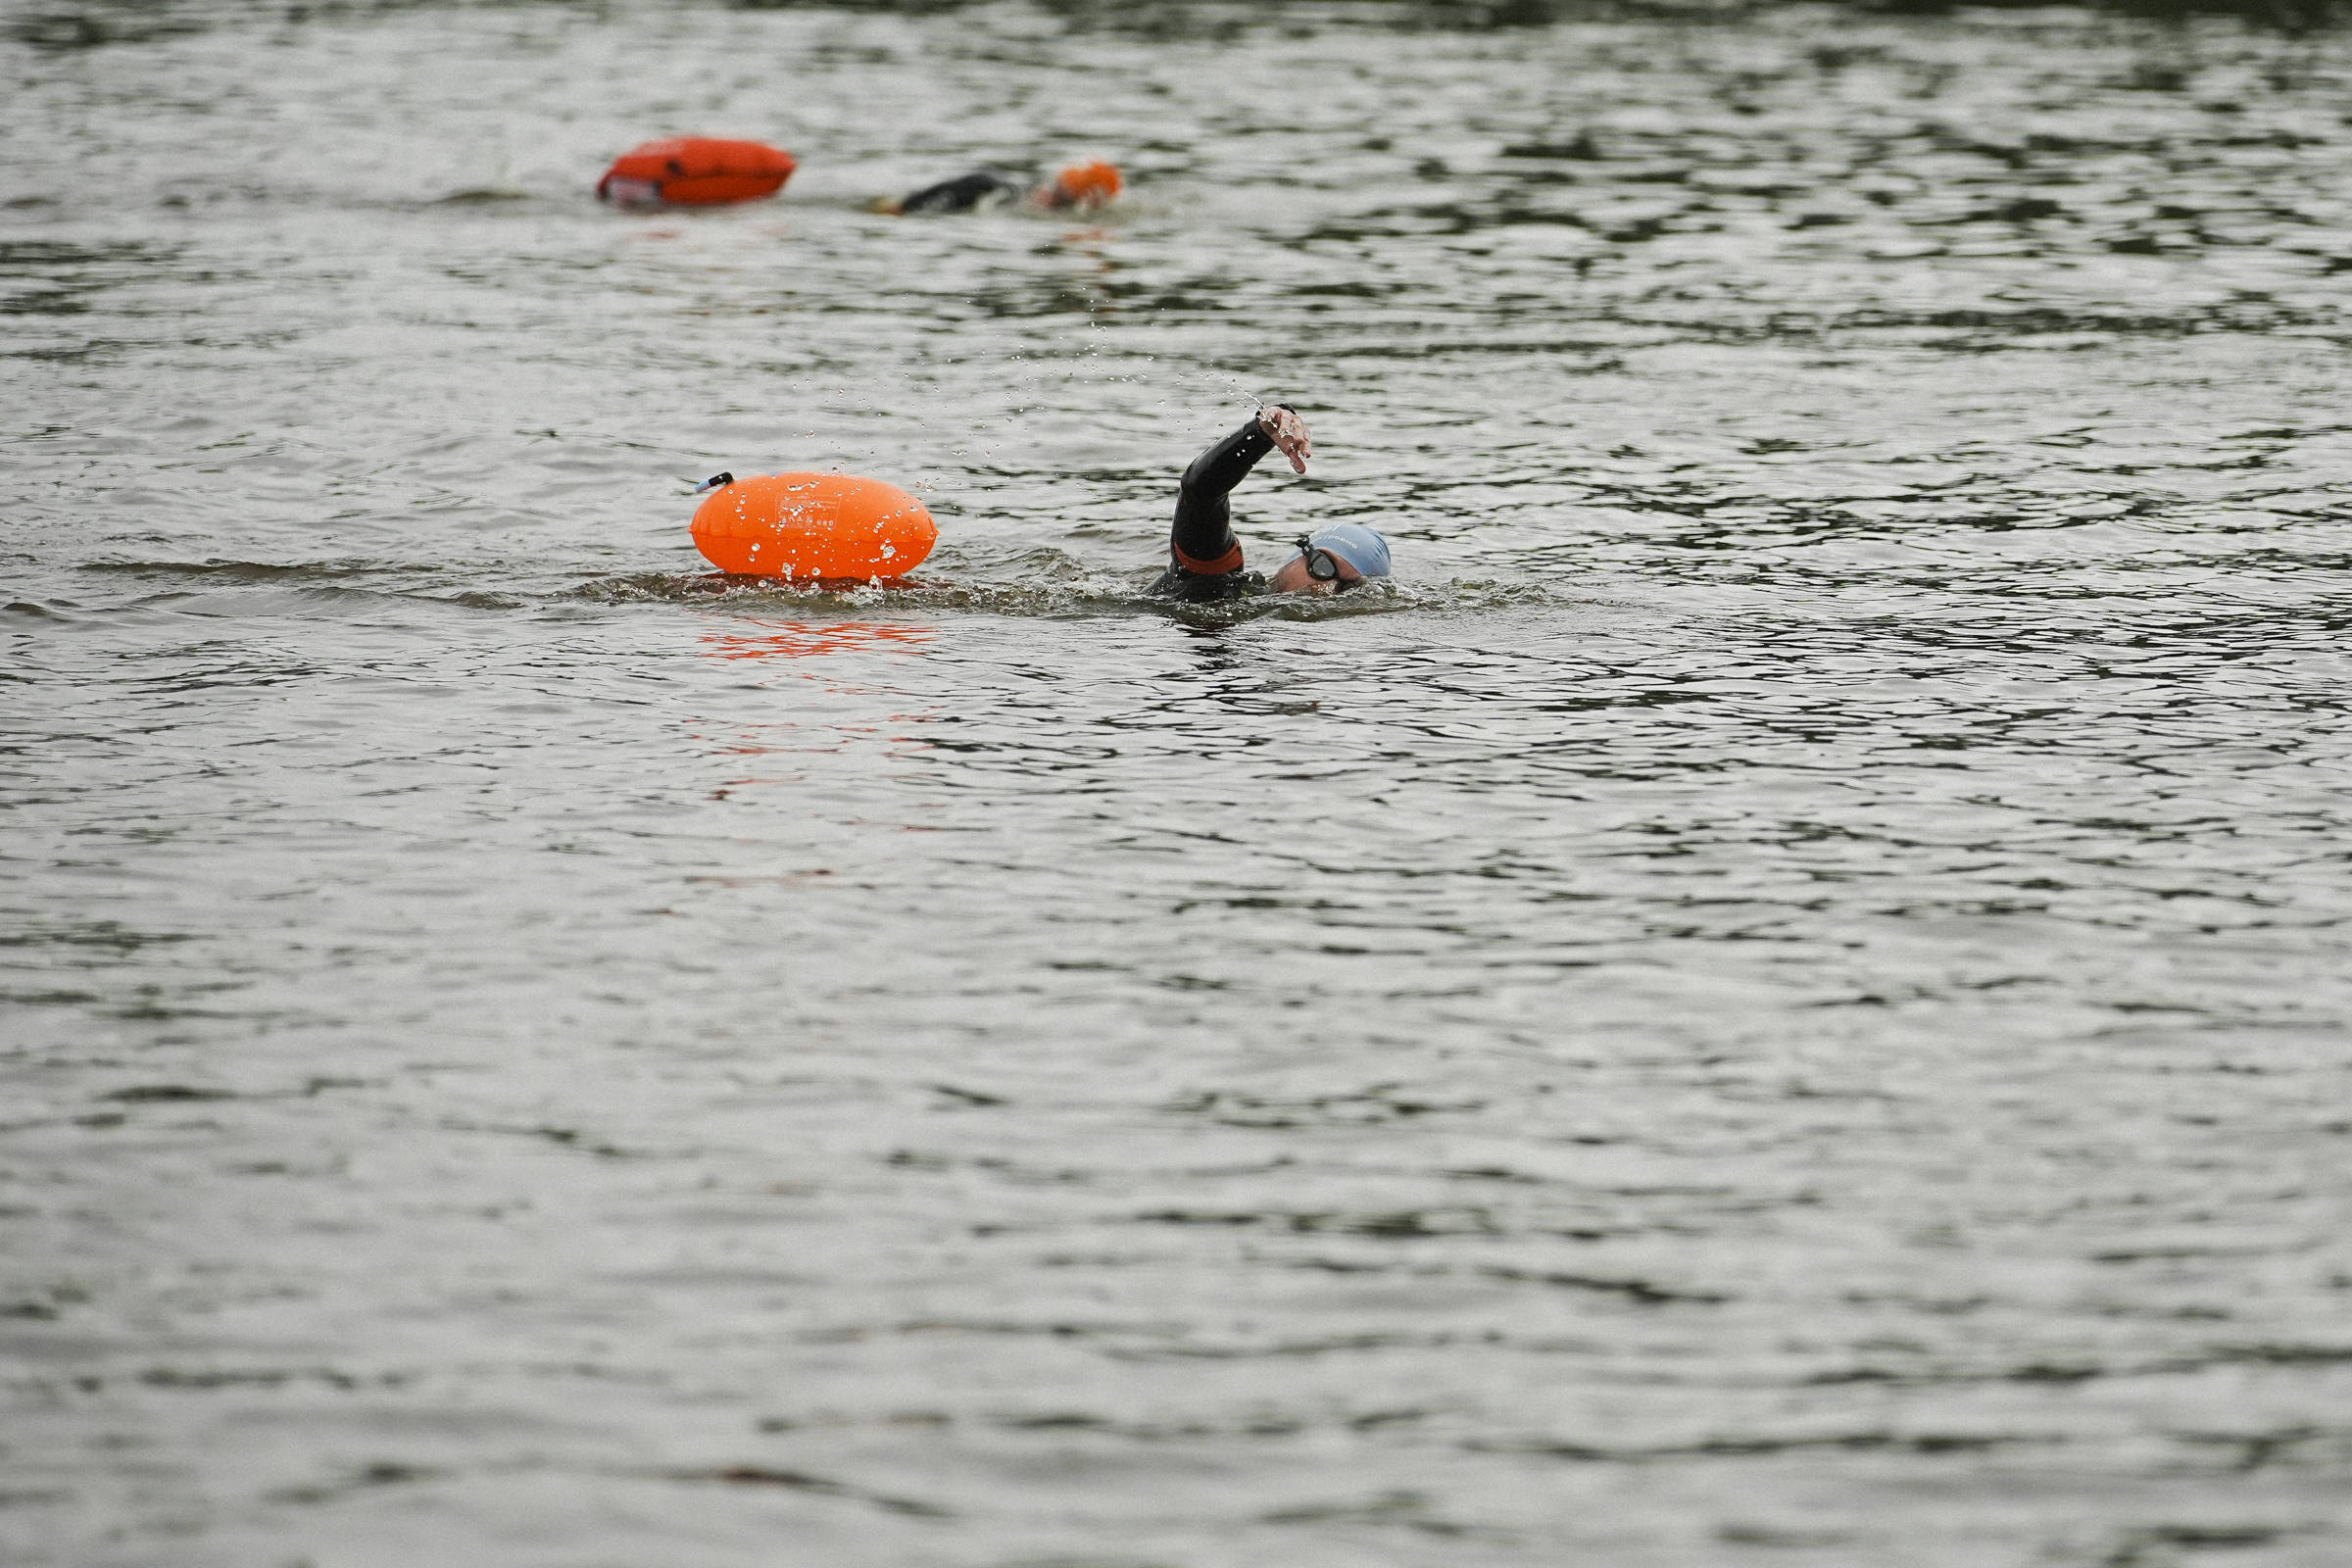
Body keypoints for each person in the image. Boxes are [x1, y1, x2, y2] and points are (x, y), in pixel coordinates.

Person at [1150, 406, 1393, 601]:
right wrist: (1259, 435)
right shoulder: (1218, 586)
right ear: (1299, 554)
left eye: (1347, 589)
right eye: (1324, 567)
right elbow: (1200, 493)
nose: (1326, 589)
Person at [874, 161, 1122, 216]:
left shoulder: (1068, 205)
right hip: (989, 189)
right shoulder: (1070, 206)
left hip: (993, 186)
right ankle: (898, 207)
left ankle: (897, 207)